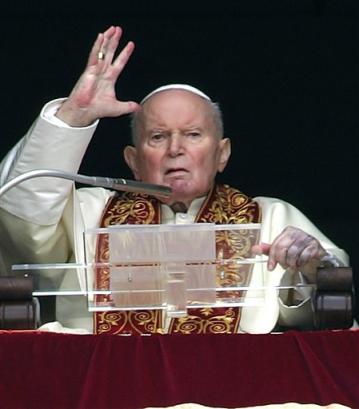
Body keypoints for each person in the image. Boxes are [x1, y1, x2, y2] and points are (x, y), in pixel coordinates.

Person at [0, 26, 348, 334]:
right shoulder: (87, 211)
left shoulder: (272, 218)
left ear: (222, 154)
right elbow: (20, 213)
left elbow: (330, 285)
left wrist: (310, 264)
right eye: (157, 137)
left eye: (193, 134)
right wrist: (73, 114)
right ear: (133, 161)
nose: (175, 149)